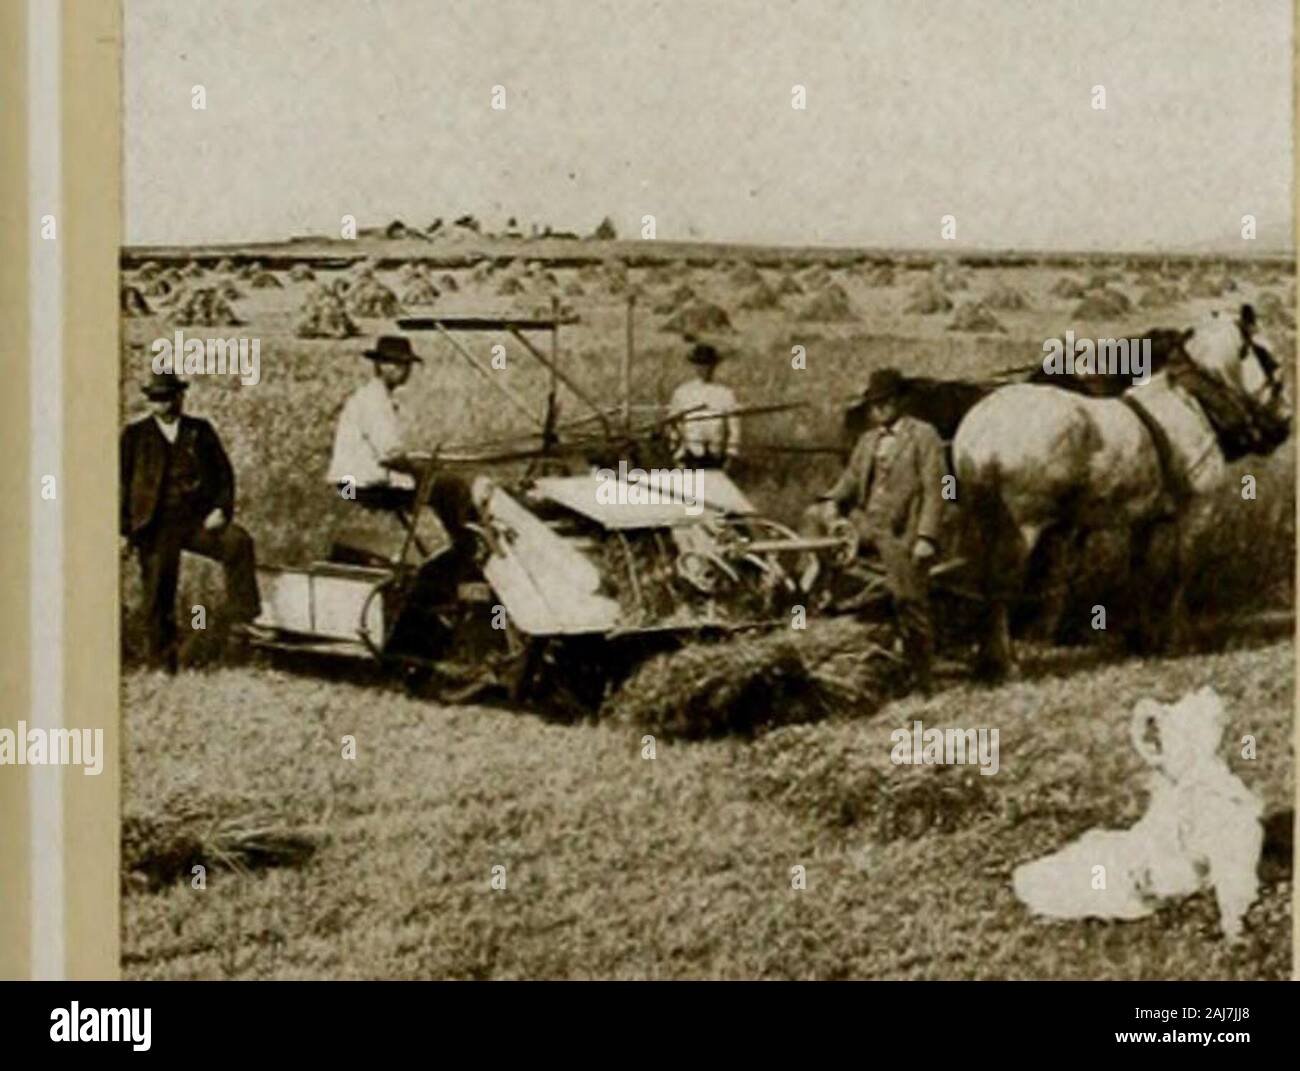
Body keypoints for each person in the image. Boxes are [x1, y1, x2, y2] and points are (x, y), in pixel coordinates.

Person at [805, 366, 945, 693]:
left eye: (885, 402)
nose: (879, 409)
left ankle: (923, 680)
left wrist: (926, 537)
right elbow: (851, 480)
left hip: (901, 532)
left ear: (900, 402)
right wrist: (830, 502)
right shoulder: (867, 441)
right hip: (866, 524)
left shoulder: (923, 436)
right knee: (811, 518)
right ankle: (813, 590)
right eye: (873, 404)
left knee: (908, 600)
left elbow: (935, 490)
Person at [120, 371, 264, 672]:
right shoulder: (135, 435)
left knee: (238, 543)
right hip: (154, 524)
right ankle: (162, 662)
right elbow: (122, 486)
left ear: (180, 397)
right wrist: (124, 532)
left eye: (169, 397)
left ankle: (243, 621)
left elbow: (224, 475)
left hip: (197, 520)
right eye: (157, 399)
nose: (164, 404)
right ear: (150, 401)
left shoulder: (200, 431)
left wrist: (221, 510)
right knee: (159, 591)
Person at [327, 334, 475, 562]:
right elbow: (390, 456)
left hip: (350, 483)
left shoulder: (374, 396)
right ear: (382, 366)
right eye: (398, 364)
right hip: (357, 486)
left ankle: (458, 547)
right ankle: (466, 550)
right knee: (452, 488)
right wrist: (421, 471)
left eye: (405, 365)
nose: (404, 371)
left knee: (438, 484)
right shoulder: (375, 401)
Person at [667, 341, 741, 469]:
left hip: (716, 457)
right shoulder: (683, 392)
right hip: (689, 457)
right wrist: (676, 452)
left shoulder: (725, 394)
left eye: (707, 365)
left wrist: (730, 456)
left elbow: (734, 429)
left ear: (714, 366)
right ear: (694, 366)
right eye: (700, 365)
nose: (704, 369)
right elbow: (674, 425)